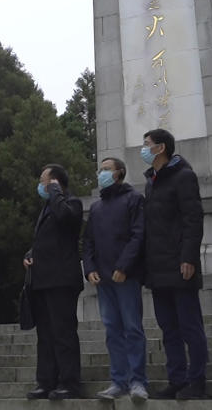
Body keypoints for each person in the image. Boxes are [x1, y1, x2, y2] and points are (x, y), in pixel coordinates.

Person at [141, 128, 209, 400]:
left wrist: (188, 257)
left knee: (190, 326)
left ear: (161, 148)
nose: (143, 149)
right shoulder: (151, 182)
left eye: (147, 144)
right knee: (169, 328)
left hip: (180, 264)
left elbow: (194, 219)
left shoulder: (184, 177)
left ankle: (197, 380)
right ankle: (177, 379)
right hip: (158, 269)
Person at [82, 157, 148, 401]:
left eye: (106, 169)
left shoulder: (133, 199)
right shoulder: (97, 207)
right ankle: (118, 381)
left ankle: (138, 381)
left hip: (125, 276)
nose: (101, 173)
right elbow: (87, 241)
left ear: (119, 172)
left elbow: (138, 235)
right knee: (112, 330)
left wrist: (124, 266)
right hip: (103, 279)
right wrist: (89, 269)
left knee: (132, 328)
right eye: (100, 169)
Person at [24, 164, 84, 401]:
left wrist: (56, 192)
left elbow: (66, 219)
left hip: (61, 279)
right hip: (42, 279)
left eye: (44, 180)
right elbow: (45, 241)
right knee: (46, 335)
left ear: (56, 182)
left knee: (63, 333)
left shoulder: (71, 203)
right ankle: (46, 381)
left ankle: (69, 382)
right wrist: (30, 254)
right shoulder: (47, 207)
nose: (40, 184)